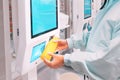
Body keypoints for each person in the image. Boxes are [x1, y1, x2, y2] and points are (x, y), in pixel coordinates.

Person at [43, 0, 120, 80]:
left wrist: (66, 59)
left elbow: (110, 62)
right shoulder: (109, 3)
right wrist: (69, 42)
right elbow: (95, 34)